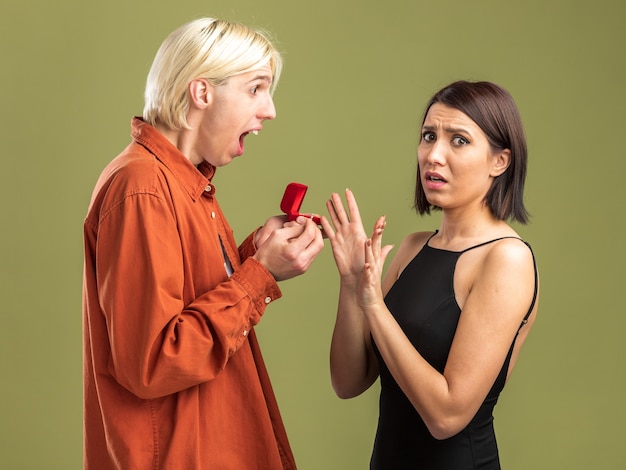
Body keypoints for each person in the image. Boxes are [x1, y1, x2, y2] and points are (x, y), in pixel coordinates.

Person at [82, 18, 324, 470]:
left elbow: (191, 304)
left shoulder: (182, 185)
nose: (269, 110)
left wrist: (254, 255)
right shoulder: (143, 187)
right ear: (202, 92)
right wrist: (260, 276)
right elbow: (153, 360)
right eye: (256, 89)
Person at [321, 80, 539, 469]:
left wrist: (374, 305)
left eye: (459, 140)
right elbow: (348, 381)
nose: (434, 155)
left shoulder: (507, 258)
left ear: (499, 161)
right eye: (428, 136)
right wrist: (354, 284)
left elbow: (446, 416)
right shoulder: (412, 247)